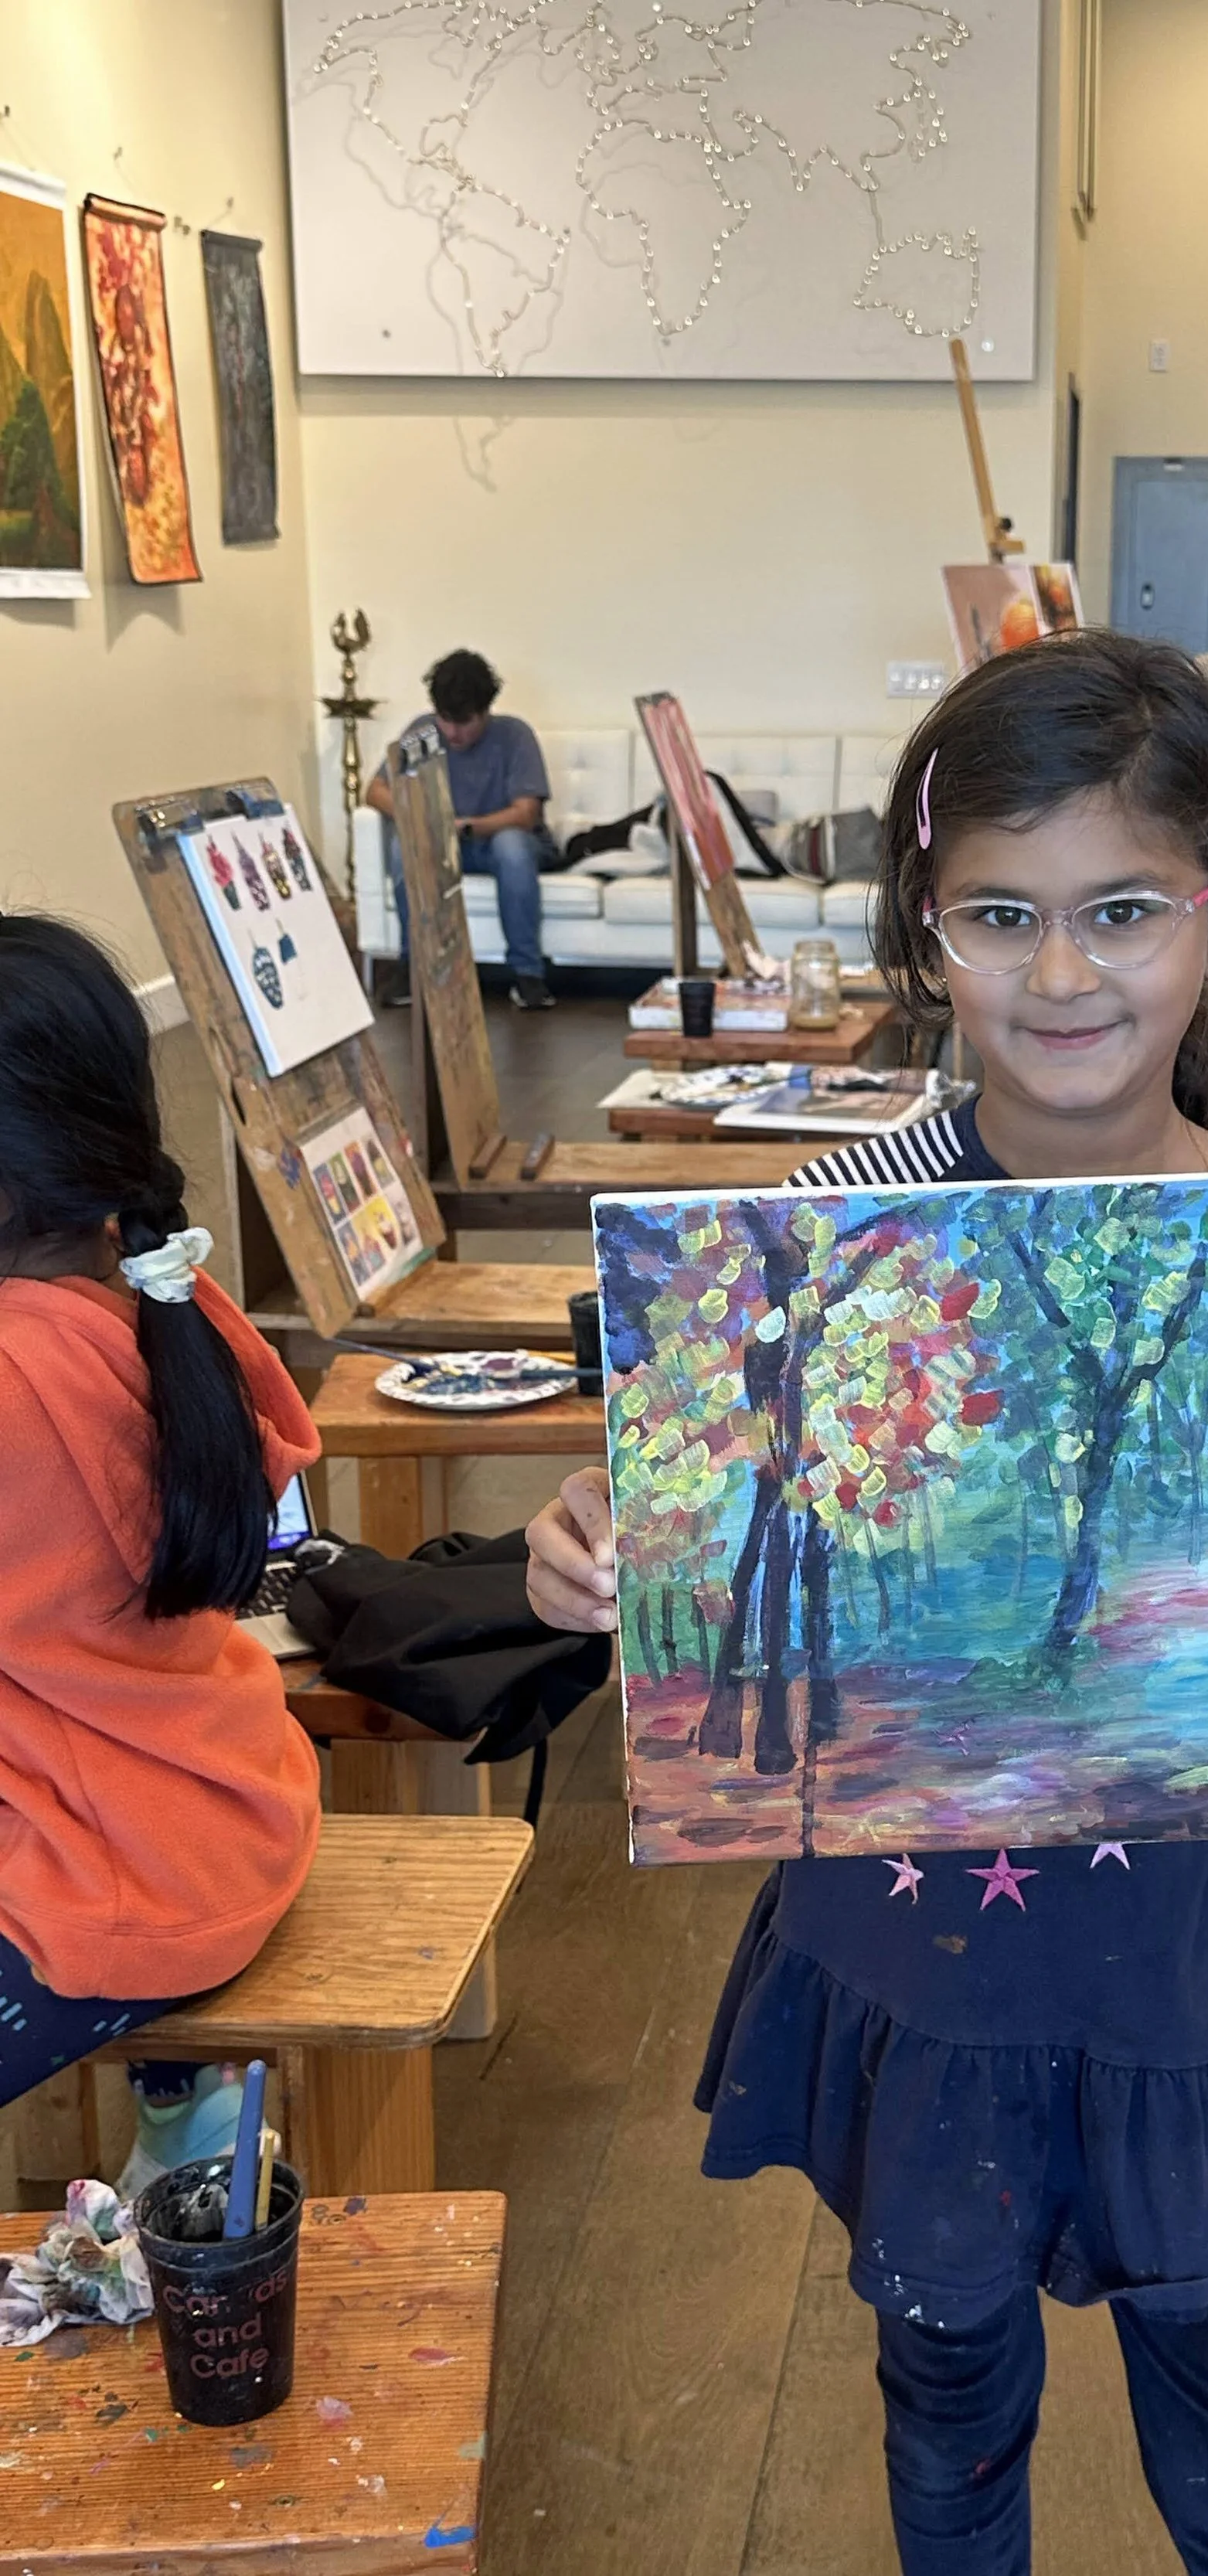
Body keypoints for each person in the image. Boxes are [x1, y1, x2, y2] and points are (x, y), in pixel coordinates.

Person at [524, 634, 1208, 2575]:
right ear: (927, 931)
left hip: (1175, 1992)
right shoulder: (825, 1233)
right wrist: (596, 1541)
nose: (1059, 973)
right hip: (905, 1975)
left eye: (1122, 911)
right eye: (998, 916)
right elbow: (676, 1496)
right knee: (945, 2408)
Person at [0, 916, 322, 2178]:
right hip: (232, 1804)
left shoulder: (18, 1373)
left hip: (114, 1878)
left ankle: (185, 2118)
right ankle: (183, 2119)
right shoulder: (168, 1292)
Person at [366, 646, 560, 1011]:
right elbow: (375, 791)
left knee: (512, 848)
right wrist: (419, 819)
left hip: (497, 842)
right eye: (445, 719)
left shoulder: (514, 735)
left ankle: (528, 974)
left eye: (465, 721)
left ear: (486, 711)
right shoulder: (424, 732)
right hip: (445, 842)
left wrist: (466, 827)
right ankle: (415, 967)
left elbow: (525, 813)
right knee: (400, 847)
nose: (452, 732)